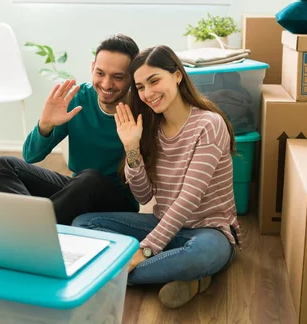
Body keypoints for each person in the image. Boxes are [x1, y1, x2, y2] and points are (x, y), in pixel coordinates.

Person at [72, 45, 242, 308]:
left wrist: (145, 250)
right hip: (163, 224)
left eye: (154, 81)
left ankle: (109, 273)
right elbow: (144, 195)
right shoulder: (151, 127)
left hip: (209, 232)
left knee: (198, 256)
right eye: (140, 87)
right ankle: (184, 277)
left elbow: (189, 198)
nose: (148, 93)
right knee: (84, 224)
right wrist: (131, 148)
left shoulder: (209, 124)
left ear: (177, 75)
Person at [0, 34, 141, 225]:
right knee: (2, 166)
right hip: (77, 190)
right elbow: (30, 156)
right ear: (92, 67)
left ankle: (32, 227)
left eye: (118, 77)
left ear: (132, 77)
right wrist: (45, 124)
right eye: (100, 73)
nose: (106, 84)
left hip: (117, 202)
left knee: (90, 178)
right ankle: (36, 220)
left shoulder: (141, 110)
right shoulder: (78, 98)